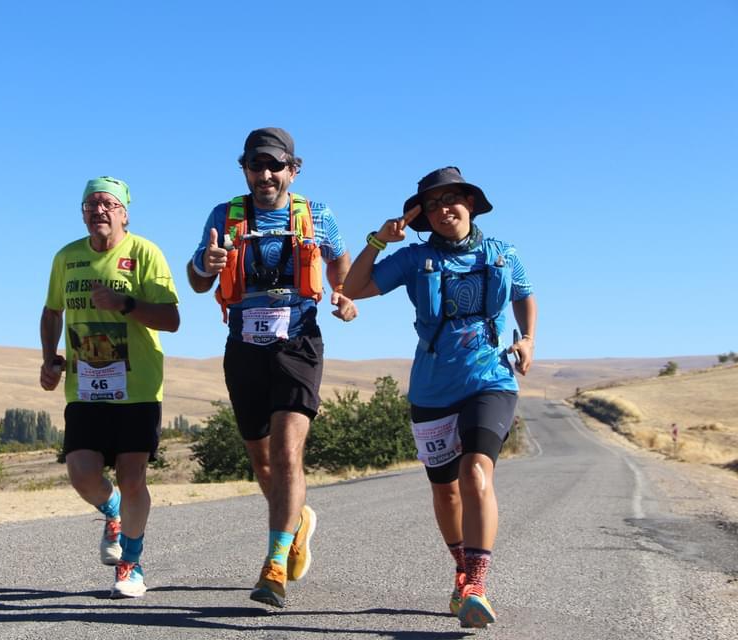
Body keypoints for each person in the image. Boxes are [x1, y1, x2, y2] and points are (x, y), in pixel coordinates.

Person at [343, 167, 537, 629]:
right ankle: (461, 567)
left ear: (471, 203)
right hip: (432, 386)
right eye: (432, 204)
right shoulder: (413, 259)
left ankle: (476, 584)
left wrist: (528, 338)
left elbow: (525, 294)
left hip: (490, 379)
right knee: (445, 489)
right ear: (423, 216)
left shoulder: (503, 253)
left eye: (453, 199)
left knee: (475, 473)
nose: (444, 208)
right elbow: (352, 289)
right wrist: (378, 241)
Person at [186, 127, 358, 607]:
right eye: (256, 165)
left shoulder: (317, 215)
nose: (265, 174)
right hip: (243, 345)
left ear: (293, 169)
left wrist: (344, 295)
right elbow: (198, 281)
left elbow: (340, 266)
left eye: (274, 165)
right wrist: (206, 262)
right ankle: (298, 521)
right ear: (244, 169)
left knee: (285, 453)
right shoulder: (225, 215)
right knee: (262, 462)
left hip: (297, 341)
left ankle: (273, 566)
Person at [40, 176, 180, 599]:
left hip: (136, 385)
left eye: (108, 204)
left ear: (124, 213)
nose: (99, 210)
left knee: (132, 475)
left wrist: (126, 305)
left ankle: (130, 564)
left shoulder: (144, 253)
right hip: (85, 386)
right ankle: (112, 512)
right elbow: (51, 312)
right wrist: (50, 358)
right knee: (82, 474)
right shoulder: (67, 257)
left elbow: (171, 319)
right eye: (91, 204)